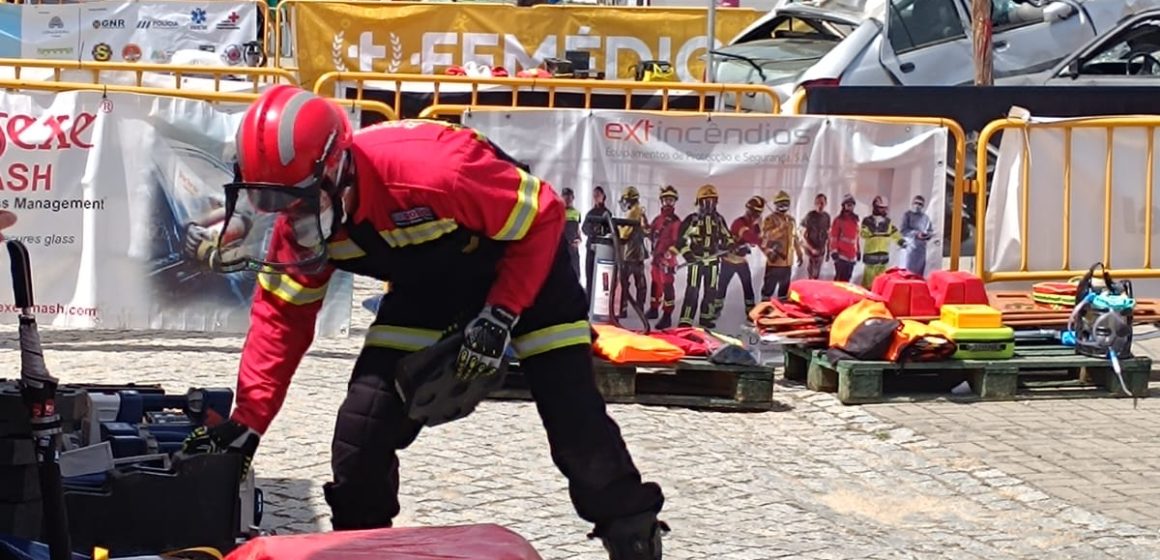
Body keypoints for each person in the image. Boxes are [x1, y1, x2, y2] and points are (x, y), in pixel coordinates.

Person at [175, 85, 667, 559]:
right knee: (362, 433)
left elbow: (543, 214)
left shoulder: (436, 170)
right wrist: (248, 423)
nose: (290, 218)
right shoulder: (301, 218)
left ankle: (633, 537)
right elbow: (281, 320)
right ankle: (362, 551)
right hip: (429, 286)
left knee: (574, 419)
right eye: (272, 203)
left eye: (300, 201)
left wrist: (500, 314)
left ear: (337, 169)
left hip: (525, 270)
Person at [675, 184, 731, 328]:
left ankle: (706, 317)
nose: (708, 205)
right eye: (705, 201)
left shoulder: (719, 220)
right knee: (692, 290)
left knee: (711, 290)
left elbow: (727, 237)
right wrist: (688, 255)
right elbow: (680, 241)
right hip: (696, 261)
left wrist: (729, 246)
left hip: (713, 261)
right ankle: (686, 319)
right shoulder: (692, 220)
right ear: (699, 202)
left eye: (712, 201)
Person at [719, 196, 763, 314]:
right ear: (748, 210)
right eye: (753, 212)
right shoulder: (739, 223)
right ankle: (715, 309)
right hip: (728, 261)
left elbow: (753, 243)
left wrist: (759, 230)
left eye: (758, 213)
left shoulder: (754, 225)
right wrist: (763, 240)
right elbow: (750, 238)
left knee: (747, 285)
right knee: (722, 286)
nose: (755, 215)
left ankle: (751, 310)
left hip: (741, 261)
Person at [646, 186, 681, 330]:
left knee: (667, 286)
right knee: (655, 283)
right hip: (656, 257)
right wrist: (643, 224)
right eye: (666, 200)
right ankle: (654, 308)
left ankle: (667, 315)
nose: (668, 203)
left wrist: (669, 254)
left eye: (671, 200)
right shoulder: (658, 219)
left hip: (667, 259)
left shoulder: (676, 221)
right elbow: (650, 232)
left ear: (674, 202)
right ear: (662, 201)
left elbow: (678, 241)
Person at [759, 191, 802, 300]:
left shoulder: (791, 220)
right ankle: (764, 306)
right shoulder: (770, 219)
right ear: (776, 204)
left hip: (788, 262)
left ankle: (782, 307)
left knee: (784, 291)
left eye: (786, 203)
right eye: (781, 203)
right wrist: (780, 228)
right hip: (775, 261)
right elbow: (766, 237)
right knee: (768, 288)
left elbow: (795, 238)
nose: (784, 206)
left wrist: (799, 253)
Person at [617, 186, 650, 319]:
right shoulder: (640, 211)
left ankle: (623, 309)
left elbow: (625, 234)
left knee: (624, 282)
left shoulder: (633, 212)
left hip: (630, 254)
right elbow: (647, 230)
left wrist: (618, 228)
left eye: (625, 200)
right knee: (640, 284)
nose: (624, 203)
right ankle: (640, 309)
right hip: (639, 254)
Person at [860, 195, 906, 289]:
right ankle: (866, 294)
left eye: (885, 208)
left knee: (881, 280)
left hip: (883, 255)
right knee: (868, 280)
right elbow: (863, 234)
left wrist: (901, 241)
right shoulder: (867, 221)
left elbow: (894, 232)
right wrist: (873, 228)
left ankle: (878, 293)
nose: (884, 210)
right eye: (881, 208)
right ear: (875, 207)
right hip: (871, 254)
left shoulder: (888, 222)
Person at [583, 186, 613, 300]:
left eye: (598, 195)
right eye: (594, 195)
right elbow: (584, 228)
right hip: (590, 247)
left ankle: (600, 300)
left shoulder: (607, 213)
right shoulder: (590, 213)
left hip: (602, 250)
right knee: (589, 274)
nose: (596, 197)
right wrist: (592, 231)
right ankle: (588, 300)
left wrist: (601, 232)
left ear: (603, 196)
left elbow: (610, 230)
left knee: (601, 277)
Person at [829, 194, 861, 282]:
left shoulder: (855, 220)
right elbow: (834, 236)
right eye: (848, 204)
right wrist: (834, 251)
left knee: (847, 279)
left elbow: (857, 237)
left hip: (852, 255)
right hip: (841, 256)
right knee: (839, 280)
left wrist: (858, 251)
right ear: (844, 205)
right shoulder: (839, 220)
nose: (850, 206)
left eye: (852, 204)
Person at [899, 194, 934, 276]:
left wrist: (927, 235)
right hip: (910, 249)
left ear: (923, 206)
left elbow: (930, 231)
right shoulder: (907, 215)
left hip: (921, 250)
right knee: (907, 274)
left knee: (918, 275)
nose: (917, 205)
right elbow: (903, 231)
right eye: (916, 203)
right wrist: (916, 234)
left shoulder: (925, 218)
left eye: (920, 204)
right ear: (912, 203)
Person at [800, 193, 831, 280]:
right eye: (818, 202)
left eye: (822, 203)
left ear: (825, 203)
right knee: (809, 274)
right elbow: (802, 235)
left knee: (816, 275)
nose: (820, 205)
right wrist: (811, 249)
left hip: (821, 251)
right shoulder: (810, 216)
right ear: (815, 203)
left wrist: (828, 251)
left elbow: (828, 235)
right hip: (810, 252)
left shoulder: (827, 217)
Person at [562, 187, 582, 277]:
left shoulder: (576, 213)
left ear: (573, 198)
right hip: (561, 247)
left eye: (569, 198)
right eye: (565, 197)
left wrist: (579, 239)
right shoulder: (558, 211)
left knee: (575, 273)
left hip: (573, 248)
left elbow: (577, 229)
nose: (567, 200)